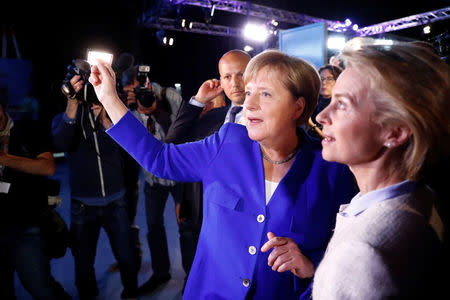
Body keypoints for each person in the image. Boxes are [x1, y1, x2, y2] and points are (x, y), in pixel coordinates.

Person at [89, 49, 357, 299]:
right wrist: (109, 98)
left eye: (265, 94)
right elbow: (159, 158)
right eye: (248, 92)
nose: (249, 104)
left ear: (298, 107)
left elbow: (350, 249)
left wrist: (312, 264)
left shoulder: (332, 168)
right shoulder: (228, 142)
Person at [310, 37, 449, 299]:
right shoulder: (422, 196)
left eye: (342, 104)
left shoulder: (363, 255)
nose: (321, 117)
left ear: (395, 132)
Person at [164, 49, 252, 292]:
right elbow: (173, 144)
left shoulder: (269, 117)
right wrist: (198, 101)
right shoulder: (214, 117)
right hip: (205, 212)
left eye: (241, 74)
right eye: (227, 77)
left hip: (246, 221)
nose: (234, 83)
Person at [51, 75, 138, 300]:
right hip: (83, 205)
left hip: (116, 200)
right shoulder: (66, 117)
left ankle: (131, 293)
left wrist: (105, 119)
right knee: (83, 262)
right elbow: (60, 144)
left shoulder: (110, 114)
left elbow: (127, 148)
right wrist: (72, 103)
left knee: (127, 257)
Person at [0, 91, 71, 300]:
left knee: (41, 288)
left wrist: (4, 159)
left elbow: (47, 167)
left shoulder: (27, 129)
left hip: (26, 227)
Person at [120, 65, 184, 295]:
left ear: (145, 82)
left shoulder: (170, 96)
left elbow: (182, 133)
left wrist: (157, 111)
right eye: (128, 90)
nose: (133, 94)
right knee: (153, 227)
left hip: (179, 176)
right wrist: (126, 113)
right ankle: (161, 273)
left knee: (186, 226)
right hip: (152, 178)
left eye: (136, 89)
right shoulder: (128, 105)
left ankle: (191, 275)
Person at [307, 64, 342, 139]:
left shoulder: (341, 106)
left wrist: (312, 125)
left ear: (338, 81)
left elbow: (333, 139)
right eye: (321, 79)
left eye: (329, 79)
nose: (324, 83)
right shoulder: (313, 101)